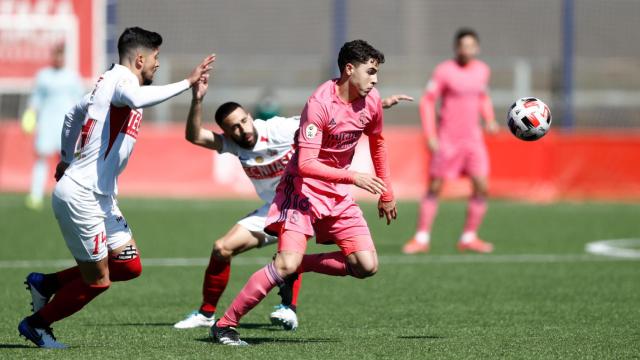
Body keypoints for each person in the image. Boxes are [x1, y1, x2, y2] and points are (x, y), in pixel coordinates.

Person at [17, 26, 215, 349]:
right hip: (83, 196)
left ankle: (46, 283)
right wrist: (187, 82)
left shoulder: (106, 82)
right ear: (140, 59)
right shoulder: (123, 81)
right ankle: (37, 325)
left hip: (102, 197)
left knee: (128, 265)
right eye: (156, 58)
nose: (157, 65)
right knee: (99, 281)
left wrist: (67, 158)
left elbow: (71, 115)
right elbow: (132, 98)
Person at [176, 69, 411, 331]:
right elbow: (194, 136)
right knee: (222, 248)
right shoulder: (233, 144)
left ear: (250, 116)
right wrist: (197, 100)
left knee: (294, 258)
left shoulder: (279, 129)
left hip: (303, 198)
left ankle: (287, 308)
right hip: (273, 208)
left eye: (244, 121)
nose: (243, 129)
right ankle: (207, 314)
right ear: (227, 132)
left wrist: (376, 104)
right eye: (235, 127)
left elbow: (323, 117)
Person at [403, 28, 498, 255]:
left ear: (477, 48)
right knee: (435, 186)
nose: (466, 50)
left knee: (481, 186)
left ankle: (469, 236)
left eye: (470, 46)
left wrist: (490, 119)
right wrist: (431, 135)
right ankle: (421, 237)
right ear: (456, 48)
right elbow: (427, 101)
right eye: (462, 46)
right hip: (447, 139)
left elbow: (483, 97)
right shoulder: (444, 71)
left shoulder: (483, 71)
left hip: (473, 140)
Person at [22, 43, 84, 210]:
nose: (58, 58)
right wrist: (30, 114)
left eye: (61, 55)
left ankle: (68, 196)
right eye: (56, 55)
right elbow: (36, 99)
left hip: (67, 126)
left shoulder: (72, 77)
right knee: (41, 158)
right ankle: (35, 195)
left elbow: (80, 102)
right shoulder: (43, 76)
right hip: (47, 124)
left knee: (67, 162)